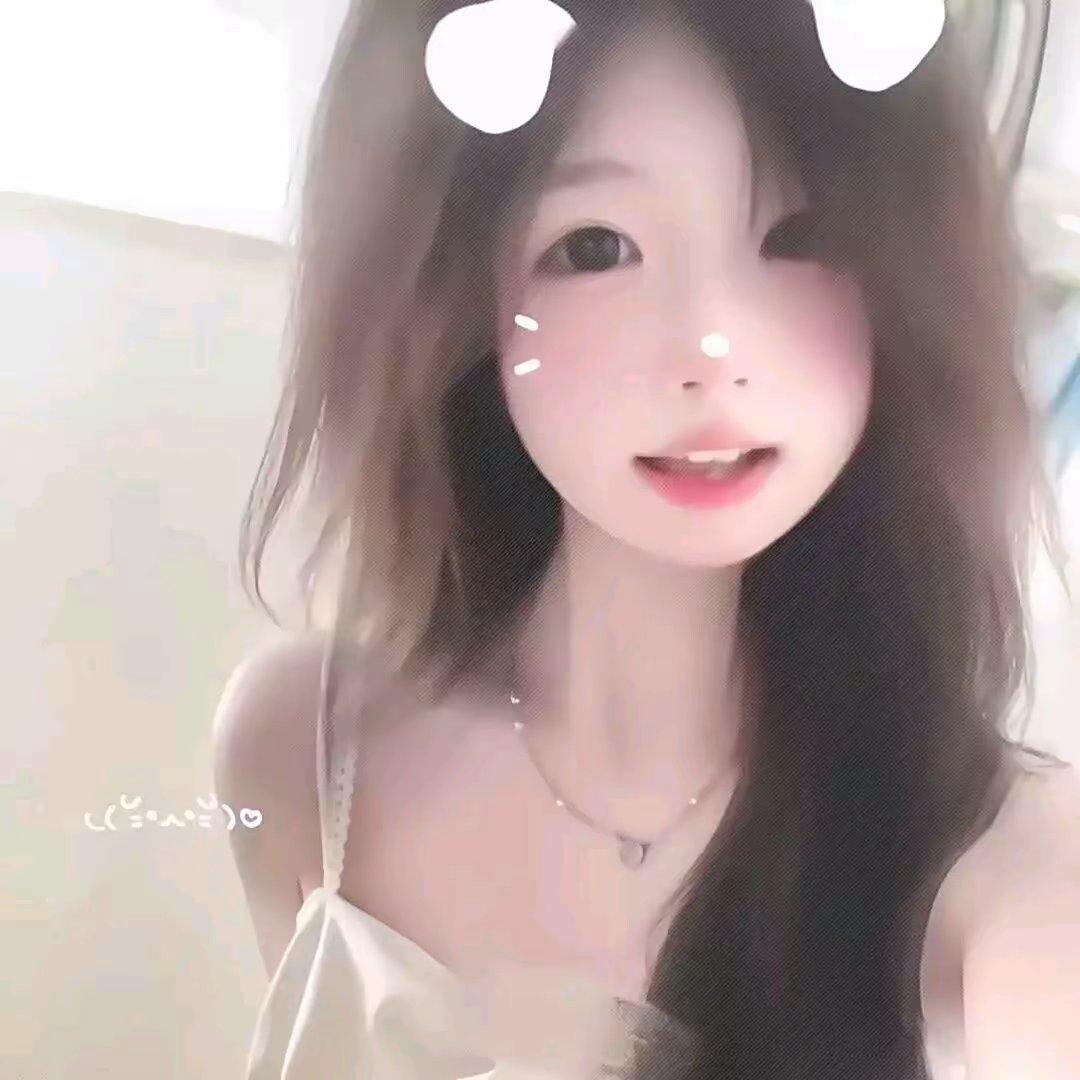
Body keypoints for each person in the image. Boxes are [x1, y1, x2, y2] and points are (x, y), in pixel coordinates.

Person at [213, 1, 1080, 1077]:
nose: (710, 352)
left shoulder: (1011, 873)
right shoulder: (303, 750)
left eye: (800, 237)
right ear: (454, 295)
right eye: (596, 247)